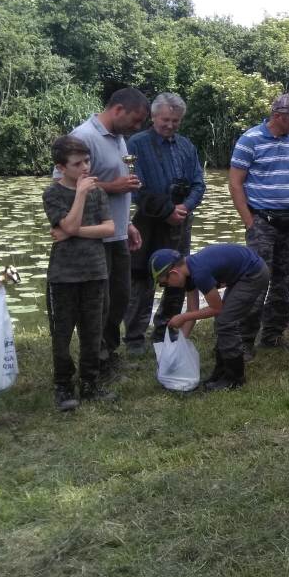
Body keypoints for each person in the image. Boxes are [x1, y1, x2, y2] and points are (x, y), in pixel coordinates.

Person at [68, 87, 148, 381]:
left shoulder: (118, 138)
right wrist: (113, 187)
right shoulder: (84, 136)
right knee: (98, 304)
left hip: (117, 234)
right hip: (94, 238)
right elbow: (65, 186)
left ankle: (109, 355)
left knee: (119, 299)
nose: (137, 127)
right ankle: (97, 363)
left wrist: (127, 224)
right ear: (118, 109)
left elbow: (113, 187)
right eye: (135, 120)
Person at [228, 93, 289, 356]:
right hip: (262, 220)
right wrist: (249, 222)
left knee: (284, 280)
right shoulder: (250, 139)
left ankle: (273, 335)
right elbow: (235, 184)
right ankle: (244, 341)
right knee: (257, 280)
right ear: (277, 116)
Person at [123, 92, 205, 358]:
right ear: (153, 116)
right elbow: (136, 188)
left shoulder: (186, 145)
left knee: (178, 275)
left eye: (175, 121)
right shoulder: (136, 144)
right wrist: (167, 210)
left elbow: (198, 183)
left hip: (181, 221)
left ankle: (165, 329)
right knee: (142, 278)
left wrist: (185, 207)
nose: (170, 125)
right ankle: (134, 337)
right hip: (149, 221)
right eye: (165, 120)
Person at [44, 136, 117, 410]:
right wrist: (80, 195)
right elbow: (69, 223)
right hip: (64, 275)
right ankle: (63, 385)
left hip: (95, 271)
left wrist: (72, 232)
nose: (85, 167)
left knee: (92, 331)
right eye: (77, 164)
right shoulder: (53, 194)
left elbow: (109, 228)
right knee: (61, 334)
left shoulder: (98, 192)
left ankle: (90, 383)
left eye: (87, 161)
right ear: (61, 167)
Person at [150, 244, 271, 392]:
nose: (166, 286)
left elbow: (216, 308)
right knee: (223, 320)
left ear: (174, 273)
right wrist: (180, 344)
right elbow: (192, 310)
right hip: (242, 274)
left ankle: (235, 378)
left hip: (254, 274)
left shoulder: (199, 273)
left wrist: (182, 317)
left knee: (225, 322)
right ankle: (221, 372)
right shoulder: (188, 273)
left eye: (163, 283)